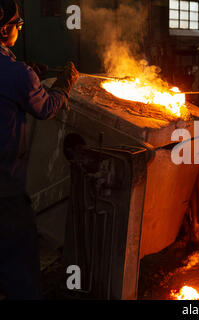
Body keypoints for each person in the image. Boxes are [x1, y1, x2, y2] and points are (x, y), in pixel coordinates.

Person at [0, 0, 79, 299]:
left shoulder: (19, 73)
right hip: (5, 191)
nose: (19, 30)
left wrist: (29, 74)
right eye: (18, 25)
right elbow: (46, 108)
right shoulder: (17, 73)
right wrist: (64, 86)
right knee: (20, 268)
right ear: (5, 28)